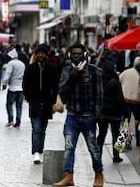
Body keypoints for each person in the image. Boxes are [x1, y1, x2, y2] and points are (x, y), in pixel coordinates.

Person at [54, 43, 104, 187]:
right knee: (69, 147)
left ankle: (99, 175)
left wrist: (96, 114)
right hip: (72, 116)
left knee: (93, 148)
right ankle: (68, 176)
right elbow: (62, 94)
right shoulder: (66, 70)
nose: (76, 56)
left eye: (79, 54)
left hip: (88, 117)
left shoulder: (94, 71)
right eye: (73, 54)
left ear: (84, 55)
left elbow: (99, 94)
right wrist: (72, 76)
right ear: (70, 55)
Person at [22, 43, 58, 164]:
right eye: (39, 53)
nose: (41, 55)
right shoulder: (31, 68)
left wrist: (53, 100)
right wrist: (28, 97)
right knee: (36, 128)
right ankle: (36, 152)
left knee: (42, 129)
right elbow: (25, 84)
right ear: (36, 55)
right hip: (35, 103)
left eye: (43, 53)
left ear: (46, 55)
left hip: (47, 103)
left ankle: (40, 150)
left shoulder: (51, 68)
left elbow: (55, 85)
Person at [96, 59, 125, 163]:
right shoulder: (115, 82)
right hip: (115, 113)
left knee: (101, 135)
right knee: (115, 135)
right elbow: (120, 98)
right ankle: (116, 156)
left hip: (102, 112)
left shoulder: (99, 80)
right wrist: (124, 112)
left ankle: (97, 155)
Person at [119, 56, 140, 146]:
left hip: (125, 100)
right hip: (136, 102)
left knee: (126, 121)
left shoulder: (126, 72)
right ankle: (139, 141)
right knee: (137, 121)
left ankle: (125, 141)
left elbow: (119, 79)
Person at [2, 47, 26, 128]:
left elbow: (7, 74)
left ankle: (10, 120)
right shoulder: (22, 64)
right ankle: (18, 121)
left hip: (13, 87)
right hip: (21, 88)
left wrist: (4, 83)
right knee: (19, 106)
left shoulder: (11, 63)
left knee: (9, 104)